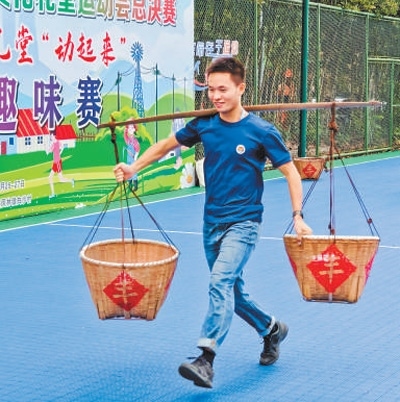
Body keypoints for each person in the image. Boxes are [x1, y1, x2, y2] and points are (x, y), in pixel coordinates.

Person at [113, 57, 312, 389]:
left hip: (244, 223)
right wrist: (134, 168)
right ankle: (272, 329)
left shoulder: (262, 131)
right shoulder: (204, 124)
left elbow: (291, 173)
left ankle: (205, 359)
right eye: (211, 90)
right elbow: (165, 146)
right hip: (211, 223)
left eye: (223, 89)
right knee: (233, 292)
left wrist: (298, 216)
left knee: (219, 283)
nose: (216, 96)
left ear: (241, 88)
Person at [47, 131, 74, 198]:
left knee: (61, 179)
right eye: (50, 136)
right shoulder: (55, 143)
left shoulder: (56, 143)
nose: (50, 137)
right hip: (55, 162)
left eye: (51, 136)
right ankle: (53, 194)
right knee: (50, 177)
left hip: (58, 163)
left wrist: (58, 154)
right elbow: (51, 150)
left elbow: (52, 150)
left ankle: (71, 180)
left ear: (54, 136)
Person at [123, 121, 140, 191]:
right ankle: (130, 184)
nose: (130, 129)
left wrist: (135, 157)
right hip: (128, 159)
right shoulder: (128, 140)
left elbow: (138, 150)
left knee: (134, 172)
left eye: (132, 127)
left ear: (134, 129)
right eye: (129, 128)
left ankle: (135, 185)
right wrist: (126, 129)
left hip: (133, 159)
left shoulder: (135, 141)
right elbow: (125, 135)